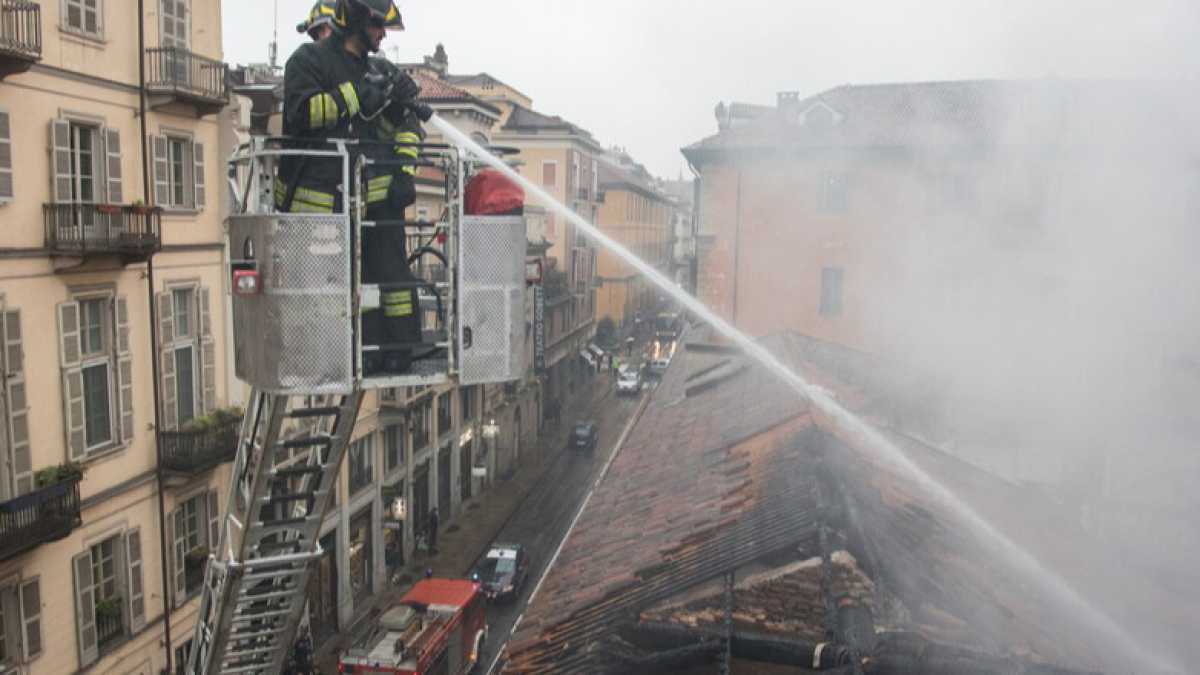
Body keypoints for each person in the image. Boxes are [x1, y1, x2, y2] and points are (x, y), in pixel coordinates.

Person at [283, 0, 427, 375]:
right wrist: (356, 96)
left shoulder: (377, 69)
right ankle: (332, 355)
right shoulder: (307, 61)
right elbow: (301, 115)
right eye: (379, 27)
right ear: (359, 21)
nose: (382, 35)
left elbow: (404, 124)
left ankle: (389, 348)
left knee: (380, 279)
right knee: (330, 288)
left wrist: (404, 169)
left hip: (367, 199)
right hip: (316, 202)